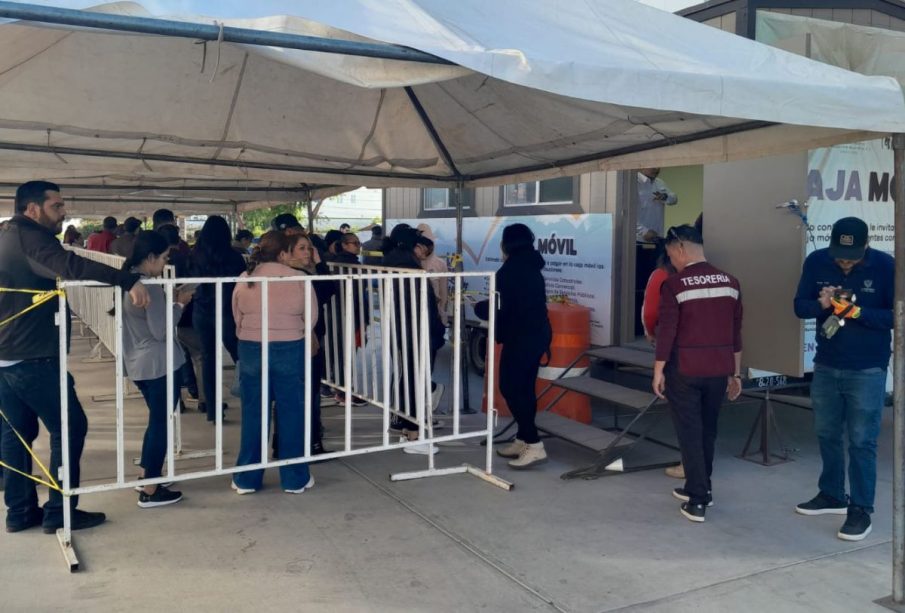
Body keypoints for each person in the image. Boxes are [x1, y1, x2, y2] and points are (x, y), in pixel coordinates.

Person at [0, 181, 149, 534]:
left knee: (16, 433)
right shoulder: (29, 237)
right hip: (32, 354)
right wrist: (126, 280)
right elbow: (70, 266)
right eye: (57, 206)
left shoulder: (6, 234)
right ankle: (59, 511)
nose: (63, 212)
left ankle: (20, 512)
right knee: (69, 427)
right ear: (32, 209)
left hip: (9, 352)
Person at [793, 217, 893, 541]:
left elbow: (896, 315)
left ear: (866, 246)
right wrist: (821, 303)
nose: (844, 262)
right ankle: (832, 494)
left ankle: (861, 510)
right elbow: (799, 307)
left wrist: (857, 312)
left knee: (862, 441)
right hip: (826, 364)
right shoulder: (816, 261)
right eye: (839, 255)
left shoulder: (886, 266)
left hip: (867, 369)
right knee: (826, 433)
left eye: (851, 256)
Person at [652, 224, 742, 523]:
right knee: (707, 429)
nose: (672, 263)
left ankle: (698, 500)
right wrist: (736, 374)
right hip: (718, 369)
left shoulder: (675, 285)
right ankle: (700, 486)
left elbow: (667, 331)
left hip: (685, 369)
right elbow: (735, 333)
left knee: (689, 431)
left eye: (670, 256)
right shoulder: (730, 282)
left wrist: (658, 370)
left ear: (680, 249)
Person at [232, 231, 317, 494]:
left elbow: (237, 315)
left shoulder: (245, 278)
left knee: (253, 411)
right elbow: (310, 317)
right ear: (283, 254)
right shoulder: (299, 279)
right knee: (291, 411)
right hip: (289, 346)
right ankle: (294, 478)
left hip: (250, 346)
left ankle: (246, 478)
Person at [120, 231, 193, 508]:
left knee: (156, 421)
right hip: (159, 362)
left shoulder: (129, 281)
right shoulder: (149, 286)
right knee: (161, 424)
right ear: (150, 258)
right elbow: (162, 331)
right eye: (163, 258)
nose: (165, 263)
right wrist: (178, 304)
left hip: (139, 362)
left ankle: (147, 474)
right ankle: (151, 487)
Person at [475, 224, 552, 469]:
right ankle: (522, 438)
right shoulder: (530, 264)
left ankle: (534, 443)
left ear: (508, 244)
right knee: (524, 389)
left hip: (522, 337)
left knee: (510, 387)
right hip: (534, 335)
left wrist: (478, 307)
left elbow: (501, 306)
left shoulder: (510, 271)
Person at [383, 224, 444, 455]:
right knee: (414, 379)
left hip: (403, 330)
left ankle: (407, 428)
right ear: (413, 245)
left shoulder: (392, 260)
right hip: (412, 331)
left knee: (407, 377)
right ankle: (413, 434)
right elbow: (418, 305)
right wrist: (434, 331)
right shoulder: (406, 266)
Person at [189, 216, 247, 422]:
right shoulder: (235, 257)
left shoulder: (193, 255)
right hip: (228, 312)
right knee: (241, 355)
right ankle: (250, 399)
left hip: (201, 311)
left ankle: (213, 409)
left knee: (208, 358)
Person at [640, 239, 683, 480]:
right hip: (701, 351)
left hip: (673, 348)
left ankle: (690, 464)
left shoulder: (661, 275)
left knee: (684, 410)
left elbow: (650, 311)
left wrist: (651, 332)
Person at [157, 224, 201, 404]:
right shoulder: (187, 258)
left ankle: (177, 401)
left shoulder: (153, 262)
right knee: (197, 356)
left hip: (162, 314)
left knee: (172, 356)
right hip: (186, 314)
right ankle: (201, 396)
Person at [414, 232, 447, 411]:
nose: (424, 250)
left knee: (428, 359)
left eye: (428, 247)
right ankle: (425, 393)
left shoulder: (439, 264)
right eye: (421, 246)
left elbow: (443, 292)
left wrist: (442, 315)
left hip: (433, 317)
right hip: (415, 318)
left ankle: (428, 395)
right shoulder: (412, 263)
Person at [636, 168, 678, 242]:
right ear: (641, 166)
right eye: (653, 165)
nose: (656, 169)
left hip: (658, 238)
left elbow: (674, 199)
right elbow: (627, 216)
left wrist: (665, 197)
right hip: (638, 240)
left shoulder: (659, 182)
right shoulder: (633, 183)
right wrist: (643, 231)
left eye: (658, 166)